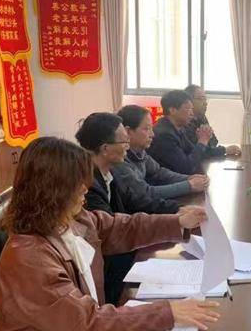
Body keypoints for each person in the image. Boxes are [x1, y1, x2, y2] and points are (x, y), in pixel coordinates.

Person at [0, 136, 220, 331]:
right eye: (77, 182)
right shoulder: (29, 258)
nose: (85, 187)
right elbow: (87, 322)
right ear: (52, 189)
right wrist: (168, 313)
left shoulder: (71, 219)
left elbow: (120, 228)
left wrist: (178, 222)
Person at [75, 113, 181, 305]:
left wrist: (178, 210)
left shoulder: (110, 173)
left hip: (121, 259)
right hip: (105, 276)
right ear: (105, 149)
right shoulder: (87, 187)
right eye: (124, 141)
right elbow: (111, 232)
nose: (128, 146)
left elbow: (137, 201)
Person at [115, 104, 210, 201]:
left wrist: (188, 178)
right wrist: (189, 185)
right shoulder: (119, 159)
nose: (152, 134)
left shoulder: (139, 151)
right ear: (127, 131)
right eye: (146, 129)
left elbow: (158, 172)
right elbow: (144, 193)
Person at [147, 90, 211, 175]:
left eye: (192, 109)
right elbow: (186, 168)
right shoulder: (164, 135)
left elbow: (194, 151)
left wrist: (224, 150)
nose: (192, 113)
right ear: (172, 110)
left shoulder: (178, 128)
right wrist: (202, 141)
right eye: (188, 108)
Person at [184, 84, 241, 158]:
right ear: (189, 101)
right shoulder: (184, 122)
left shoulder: (201, 117)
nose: (205, 103)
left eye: (205, 99)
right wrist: (225, 150)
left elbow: (214, 141)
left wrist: (205, 142)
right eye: (201, 99)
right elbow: (197, 152)